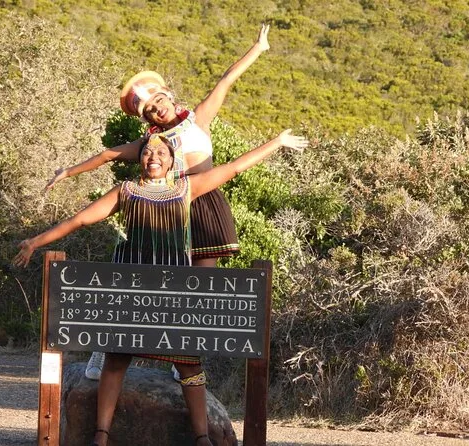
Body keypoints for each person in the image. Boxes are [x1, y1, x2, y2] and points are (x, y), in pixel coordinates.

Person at [15, 129, 308, 446]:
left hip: (173, 292)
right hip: (133, 288)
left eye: (160, 153)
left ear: (171, 161)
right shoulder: (125, 191)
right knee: (116, 359)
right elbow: (80, 220)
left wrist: (277, 142)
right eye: (146, 152)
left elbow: (234, 167)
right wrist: (35, 242)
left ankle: (202, 438)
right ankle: (101, 436)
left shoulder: (186, 188)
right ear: (140, 159)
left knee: (189, 364)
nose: (153, 156)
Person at [44, 24, 271, 380]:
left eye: (158, 102)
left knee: (200, 291)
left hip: (205, 205)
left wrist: (258, 47)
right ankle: (103, 352)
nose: (156, 110)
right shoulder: (151, 143)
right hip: (166, 207)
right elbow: (107, 155)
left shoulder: (199, 119)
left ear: (168, 96)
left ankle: (186, 362)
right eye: (149, 110)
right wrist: (68, 172)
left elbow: (226, 80)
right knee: (147, 282)